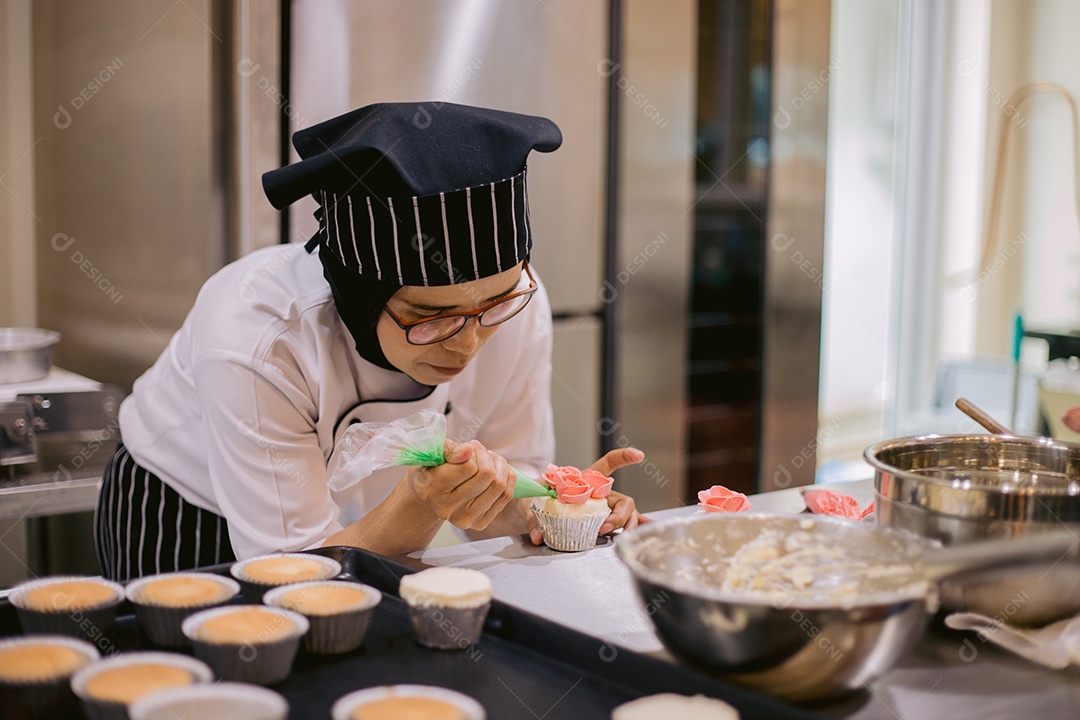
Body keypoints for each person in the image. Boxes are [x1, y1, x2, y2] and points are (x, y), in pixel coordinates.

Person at [94, 102, 646, 582]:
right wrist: (419, 505)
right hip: (192, 512)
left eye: (494, 306)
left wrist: (558, 507)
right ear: (358, 298)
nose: (468, 344)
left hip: (359, 531)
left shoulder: (517, 303)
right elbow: (291, 575)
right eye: (431, 317)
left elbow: (509, 475)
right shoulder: (260, 337)